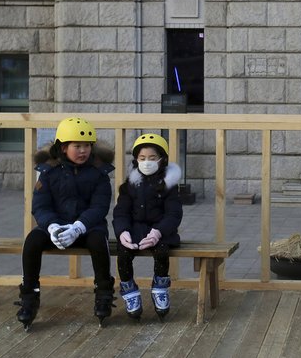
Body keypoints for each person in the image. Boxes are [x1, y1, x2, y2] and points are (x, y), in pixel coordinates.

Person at [15, 116, 116, 330]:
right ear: (62, 148)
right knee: (32, 240)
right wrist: (52, 227)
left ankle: (104, 293)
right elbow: (40, 206)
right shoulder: (48, 172)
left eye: (87, 146)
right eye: (76, 146)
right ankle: (29, 296)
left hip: (88, 228)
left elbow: (99, 207)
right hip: (57, 227)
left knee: (100, 242)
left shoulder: (99, 173)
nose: (83, 151)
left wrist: (79, 227)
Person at [112, 133, 183, 320]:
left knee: (161, 251)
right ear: (136, 160)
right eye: (142, 158)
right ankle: (129, 288)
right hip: (134, 229)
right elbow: (121, 212)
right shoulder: (130, 185)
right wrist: (122, 231)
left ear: (162, 160)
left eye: (152, 158)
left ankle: (160, 286)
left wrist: (159, 231)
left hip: (161, 231)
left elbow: (174, 214)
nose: (147, 162)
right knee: (124, 252)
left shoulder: (169, 184)